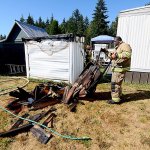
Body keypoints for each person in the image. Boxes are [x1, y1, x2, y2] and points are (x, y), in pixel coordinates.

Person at [102, 36, 132, 104]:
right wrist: (106, 52)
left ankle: (115, 99)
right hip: (117, 69)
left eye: (115, 41)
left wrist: (117, 55)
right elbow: (112, 56)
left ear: (119, 41)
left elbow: (128, 54)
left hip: (120, 69)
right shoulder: (117, 47)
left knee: (114, 84)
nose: (114, 42)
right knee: (117, 84)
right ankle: (118, 96)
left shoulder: (125, 45)